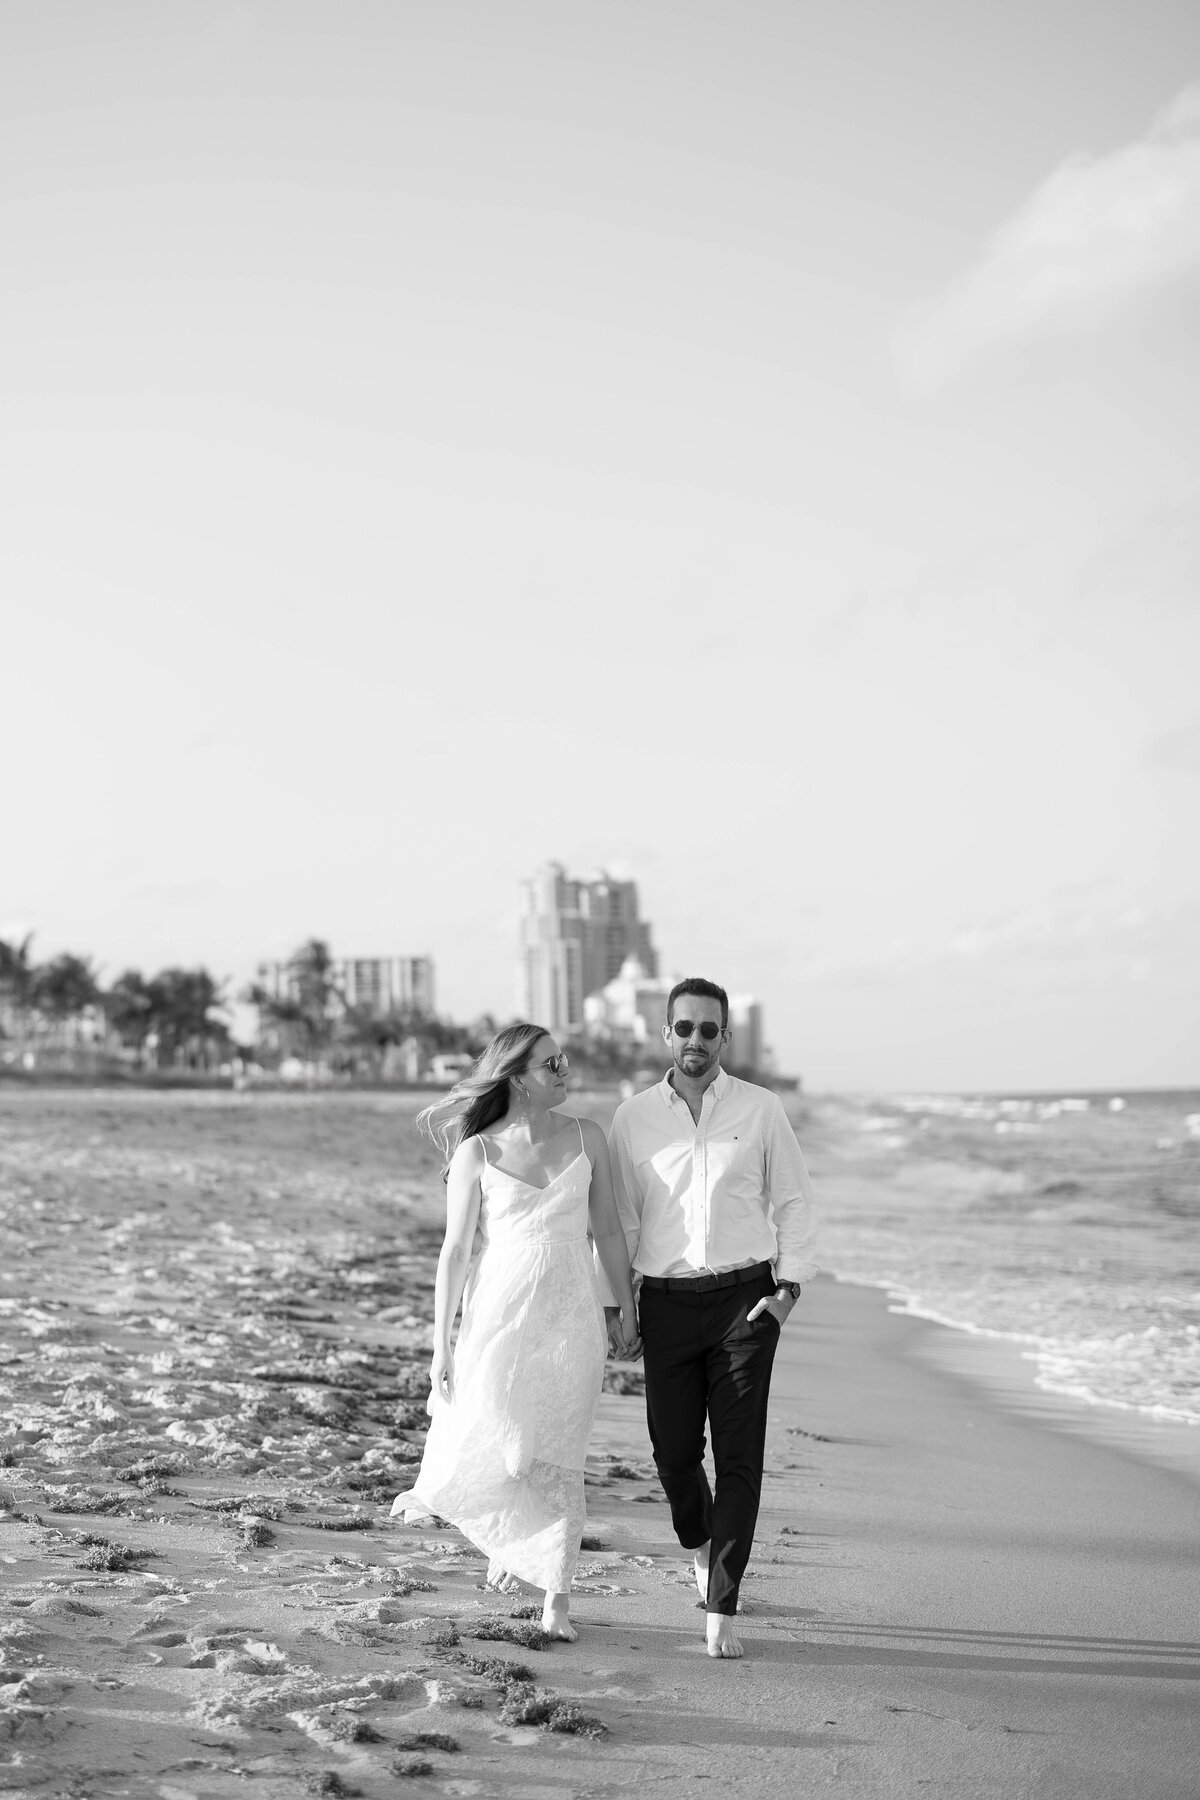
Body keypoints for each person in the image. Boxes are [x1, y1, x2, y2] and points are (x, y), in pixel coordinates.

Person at [392, 1021, 640, 1642]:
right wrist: (439, 1343)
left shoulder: (589, 1137)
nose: (564, 1072)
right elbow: (453, 1252)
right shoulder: (477, 1149)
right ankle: (508, 1543)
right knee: (505, 1438)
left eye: (564, 1061)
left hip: (571, 1312)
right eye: (550, 1065)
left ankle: (557, 1597)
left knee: (558, 1449)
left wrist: (626, 1307)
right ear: (517, 1079)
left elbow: (607, 1231)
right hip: (496, 1311)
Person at [603, 977, 818, 1659]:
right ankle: (699, 1546)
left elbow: (795, 1203)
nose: (696, 1040)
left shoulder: (761, 1110)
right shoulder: (632, 1118)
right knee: (672, 1457)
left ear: (726, 1038)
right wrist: (620, 1307)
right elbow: (621, 1222)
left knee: (740, 1458)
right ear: (666, 1035)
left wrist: (787, 1293)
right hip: (664, 1302)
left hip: (743, 1304)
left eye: (709, 1029)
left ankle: (721, 1603)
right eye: (684, 1028)